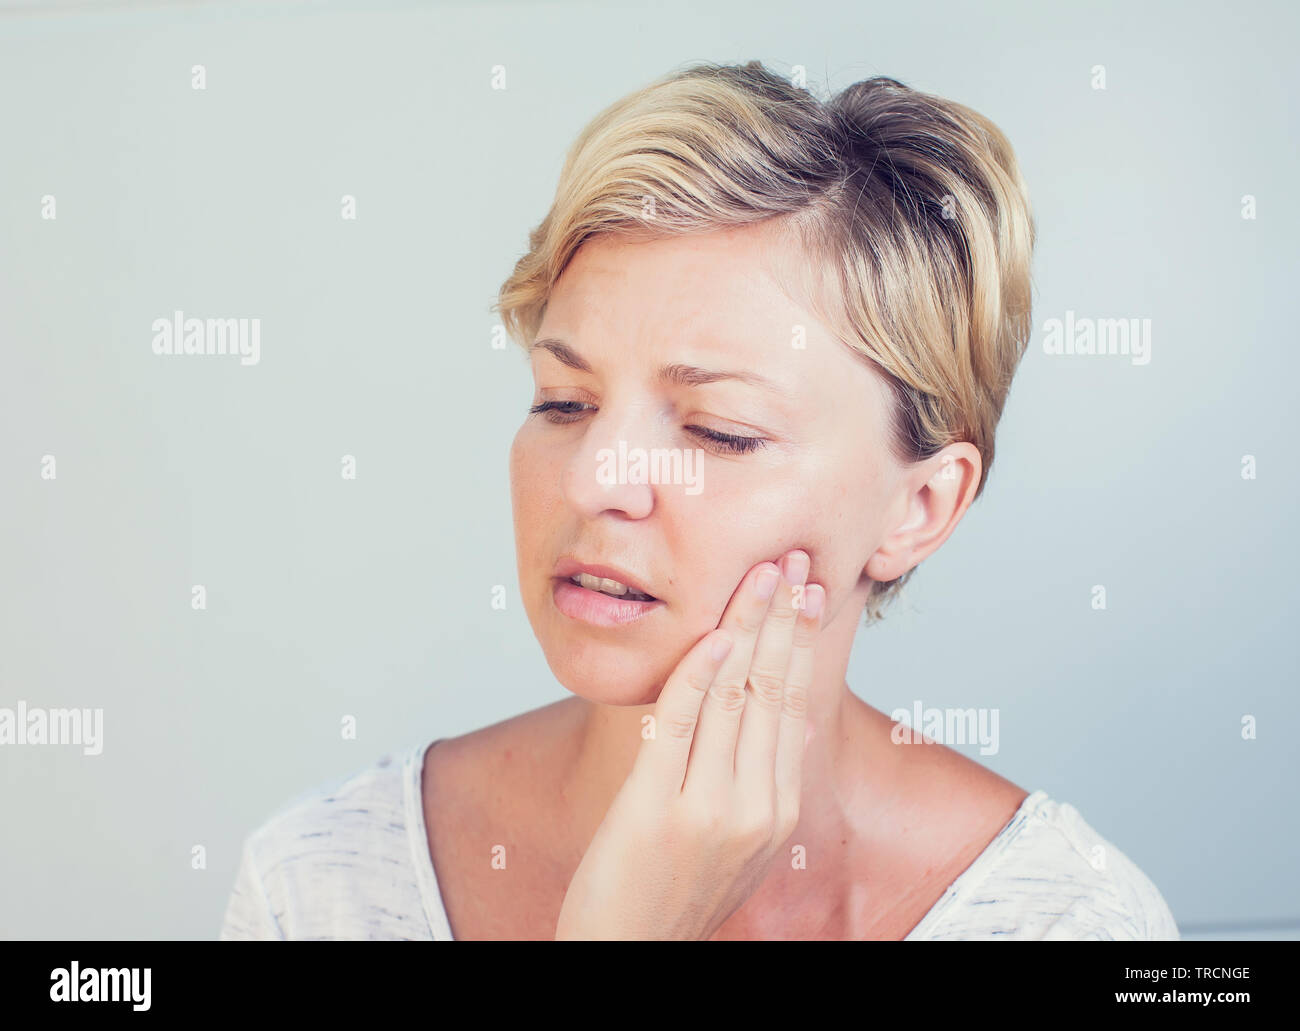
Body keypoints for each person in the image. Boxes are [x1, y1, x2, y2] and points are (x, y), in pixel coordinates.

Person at [220, 60, 1178, 940]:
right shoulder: (318, 887)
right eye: (565, 402)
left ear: (919, 507)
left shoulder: (1070, 918)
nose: (595, 478)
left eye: (719, 431)